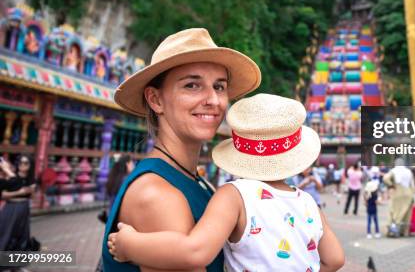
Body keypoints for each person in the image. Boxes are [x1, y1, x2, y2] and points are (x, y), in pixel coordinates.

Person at [108, 94, 345, 271]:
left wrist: (131, 245)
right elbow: (335, 260)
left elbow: (195, 251)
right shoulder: (308, 202)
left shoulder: (234, 195)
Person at [102, 28, 262, 272]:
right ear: (155, 100)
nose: (214, 100)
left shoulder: (198, 181)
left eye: (219, 87)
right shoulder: (157, 195)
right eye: (192, 85)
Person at [0, 154, 36, 251]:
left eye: (25, 163)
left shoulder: (31, 180)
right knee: (6, 232)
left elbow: (32, 197)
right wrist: (18, 192)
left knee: (21, 234)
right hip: (11, 207)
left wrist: (32, 192)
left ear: (30, 165)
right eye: (20, 162)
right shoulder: (11, 177)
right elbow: (3, 195)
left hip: (24, 208)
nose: (22, 165)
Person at [383, 158, 415, 237]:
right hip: (408, 193)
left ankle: (392, 231)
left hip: (398, 192)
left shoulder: (394, 170)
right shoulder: (408, 171)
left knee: (394, 212)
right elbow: (412, 185)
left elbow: (385, 178)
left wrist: (391, 185)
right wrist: (414, 196)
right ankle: (405, 232)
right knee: (407, 213)